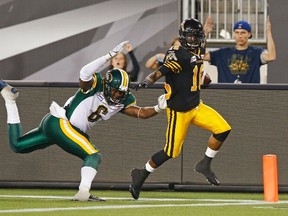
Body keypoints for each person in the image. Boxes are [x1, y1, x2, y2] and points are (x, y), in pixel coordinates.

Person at [0, 41, 167, 202]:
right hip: (62, 123)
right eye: (115, 91)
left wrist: (158, 108)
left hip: (55, 124)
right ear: (108, 85)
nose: (117, 96)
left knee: (18, 145)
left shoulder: (123, 100)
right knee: (93, 155)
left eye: (121, 93)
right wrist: (107, 56)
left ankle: (10, 99)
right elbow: (84, 73)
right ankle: (83, 192)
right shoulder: (95, 84)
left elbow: (141, 113)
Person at [129, 18, 231, 200]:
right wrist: (147, 81)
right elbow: (160, 71)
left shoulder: (197, 48)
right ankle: (140, 174)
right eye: (190, 37)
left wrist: (205, 31)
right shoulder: (176, 54)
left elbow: (197, 60)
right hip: (178, 111)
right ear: (183, 37)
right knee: (171, 151)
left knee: (223, 129)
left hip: (195, 105)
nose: (194, 40)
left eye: (197, 36)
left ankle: (204, 164)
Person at [203, 16, 276, 83]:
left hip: (250, 95)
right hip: (226, 95)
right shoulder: (222, 53)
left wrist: (268, 32)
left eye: (243, 33)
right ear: (234, 34)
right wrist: (205, 33)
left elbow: (271, 56)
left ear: (249, 34)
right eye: (237, 32)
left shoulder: (256, 53)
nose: (240, 36)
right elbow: (201, 56)